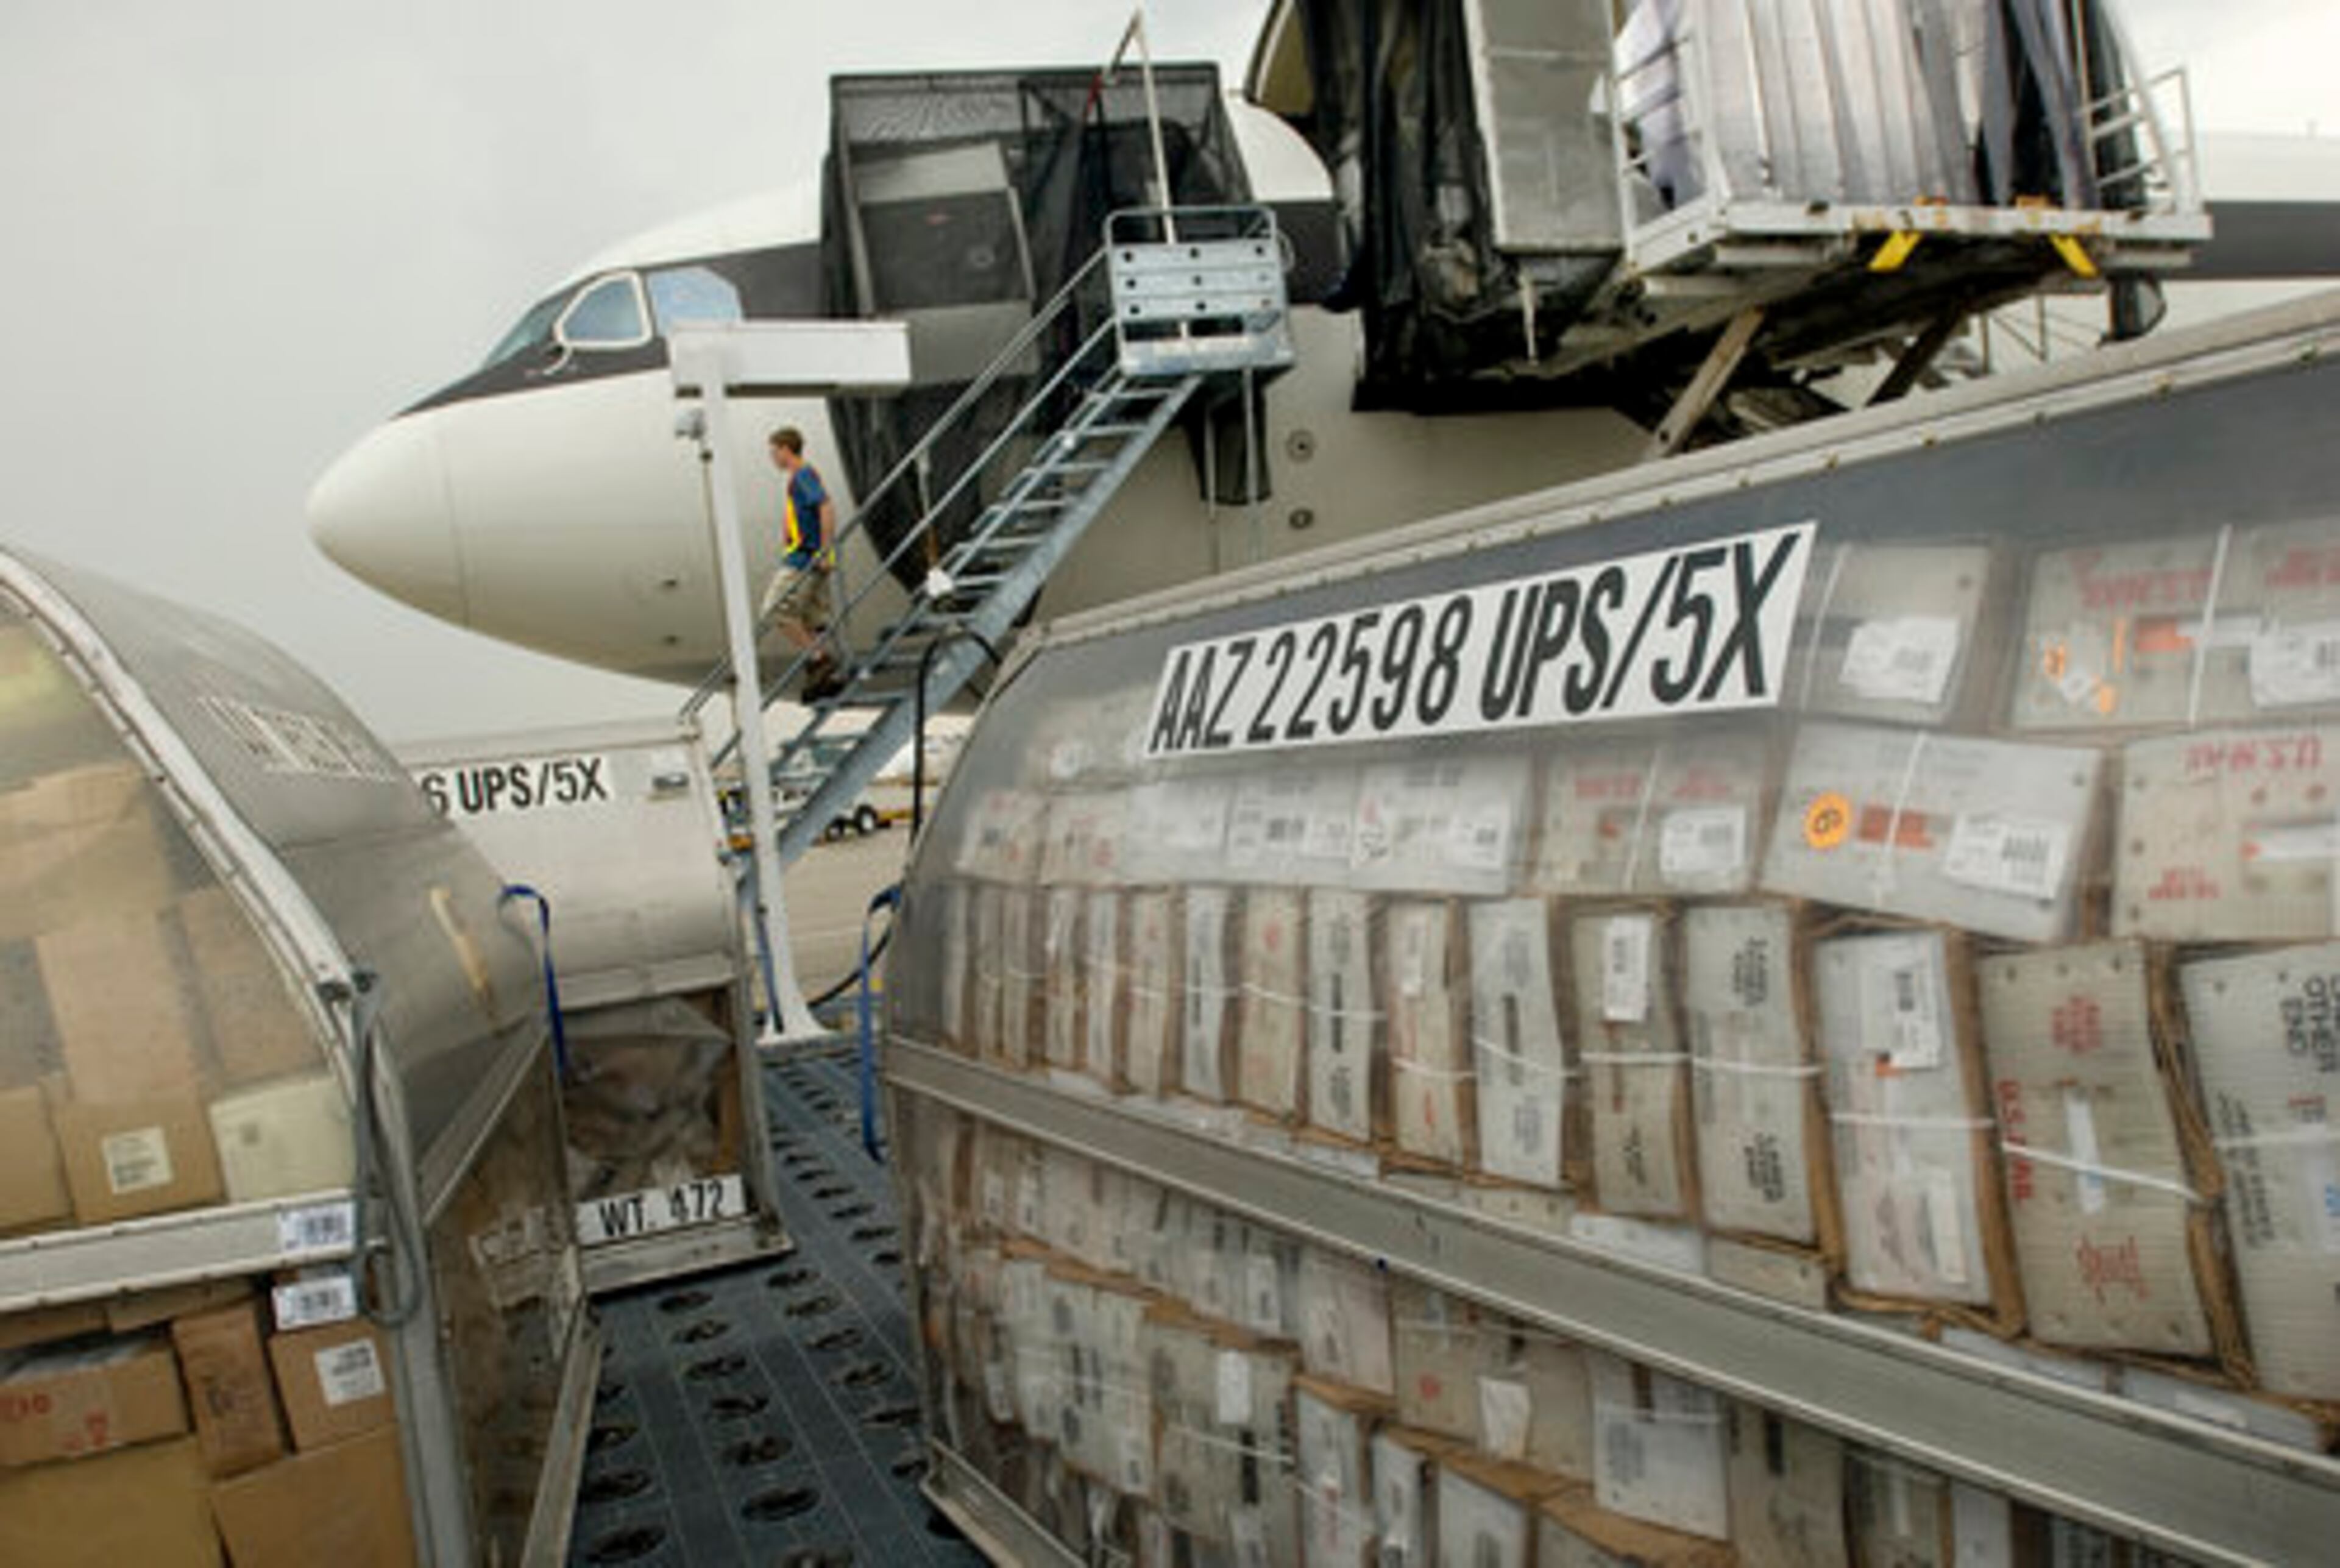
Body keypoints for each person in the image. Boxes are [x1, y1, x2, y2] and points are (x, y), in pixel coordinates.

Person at [762, 426, 845, 701]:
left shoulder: (804, 475)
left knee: (777, 610)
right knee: (810, 619)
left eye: (774, 452)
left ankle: (819, 659)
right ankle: (823, 676)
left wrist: (824, 549)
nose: (772, 458)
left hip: (804, 558)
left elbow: (825, 506)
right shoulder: (798, 478)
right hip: (807, 554)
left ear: (786, 450)